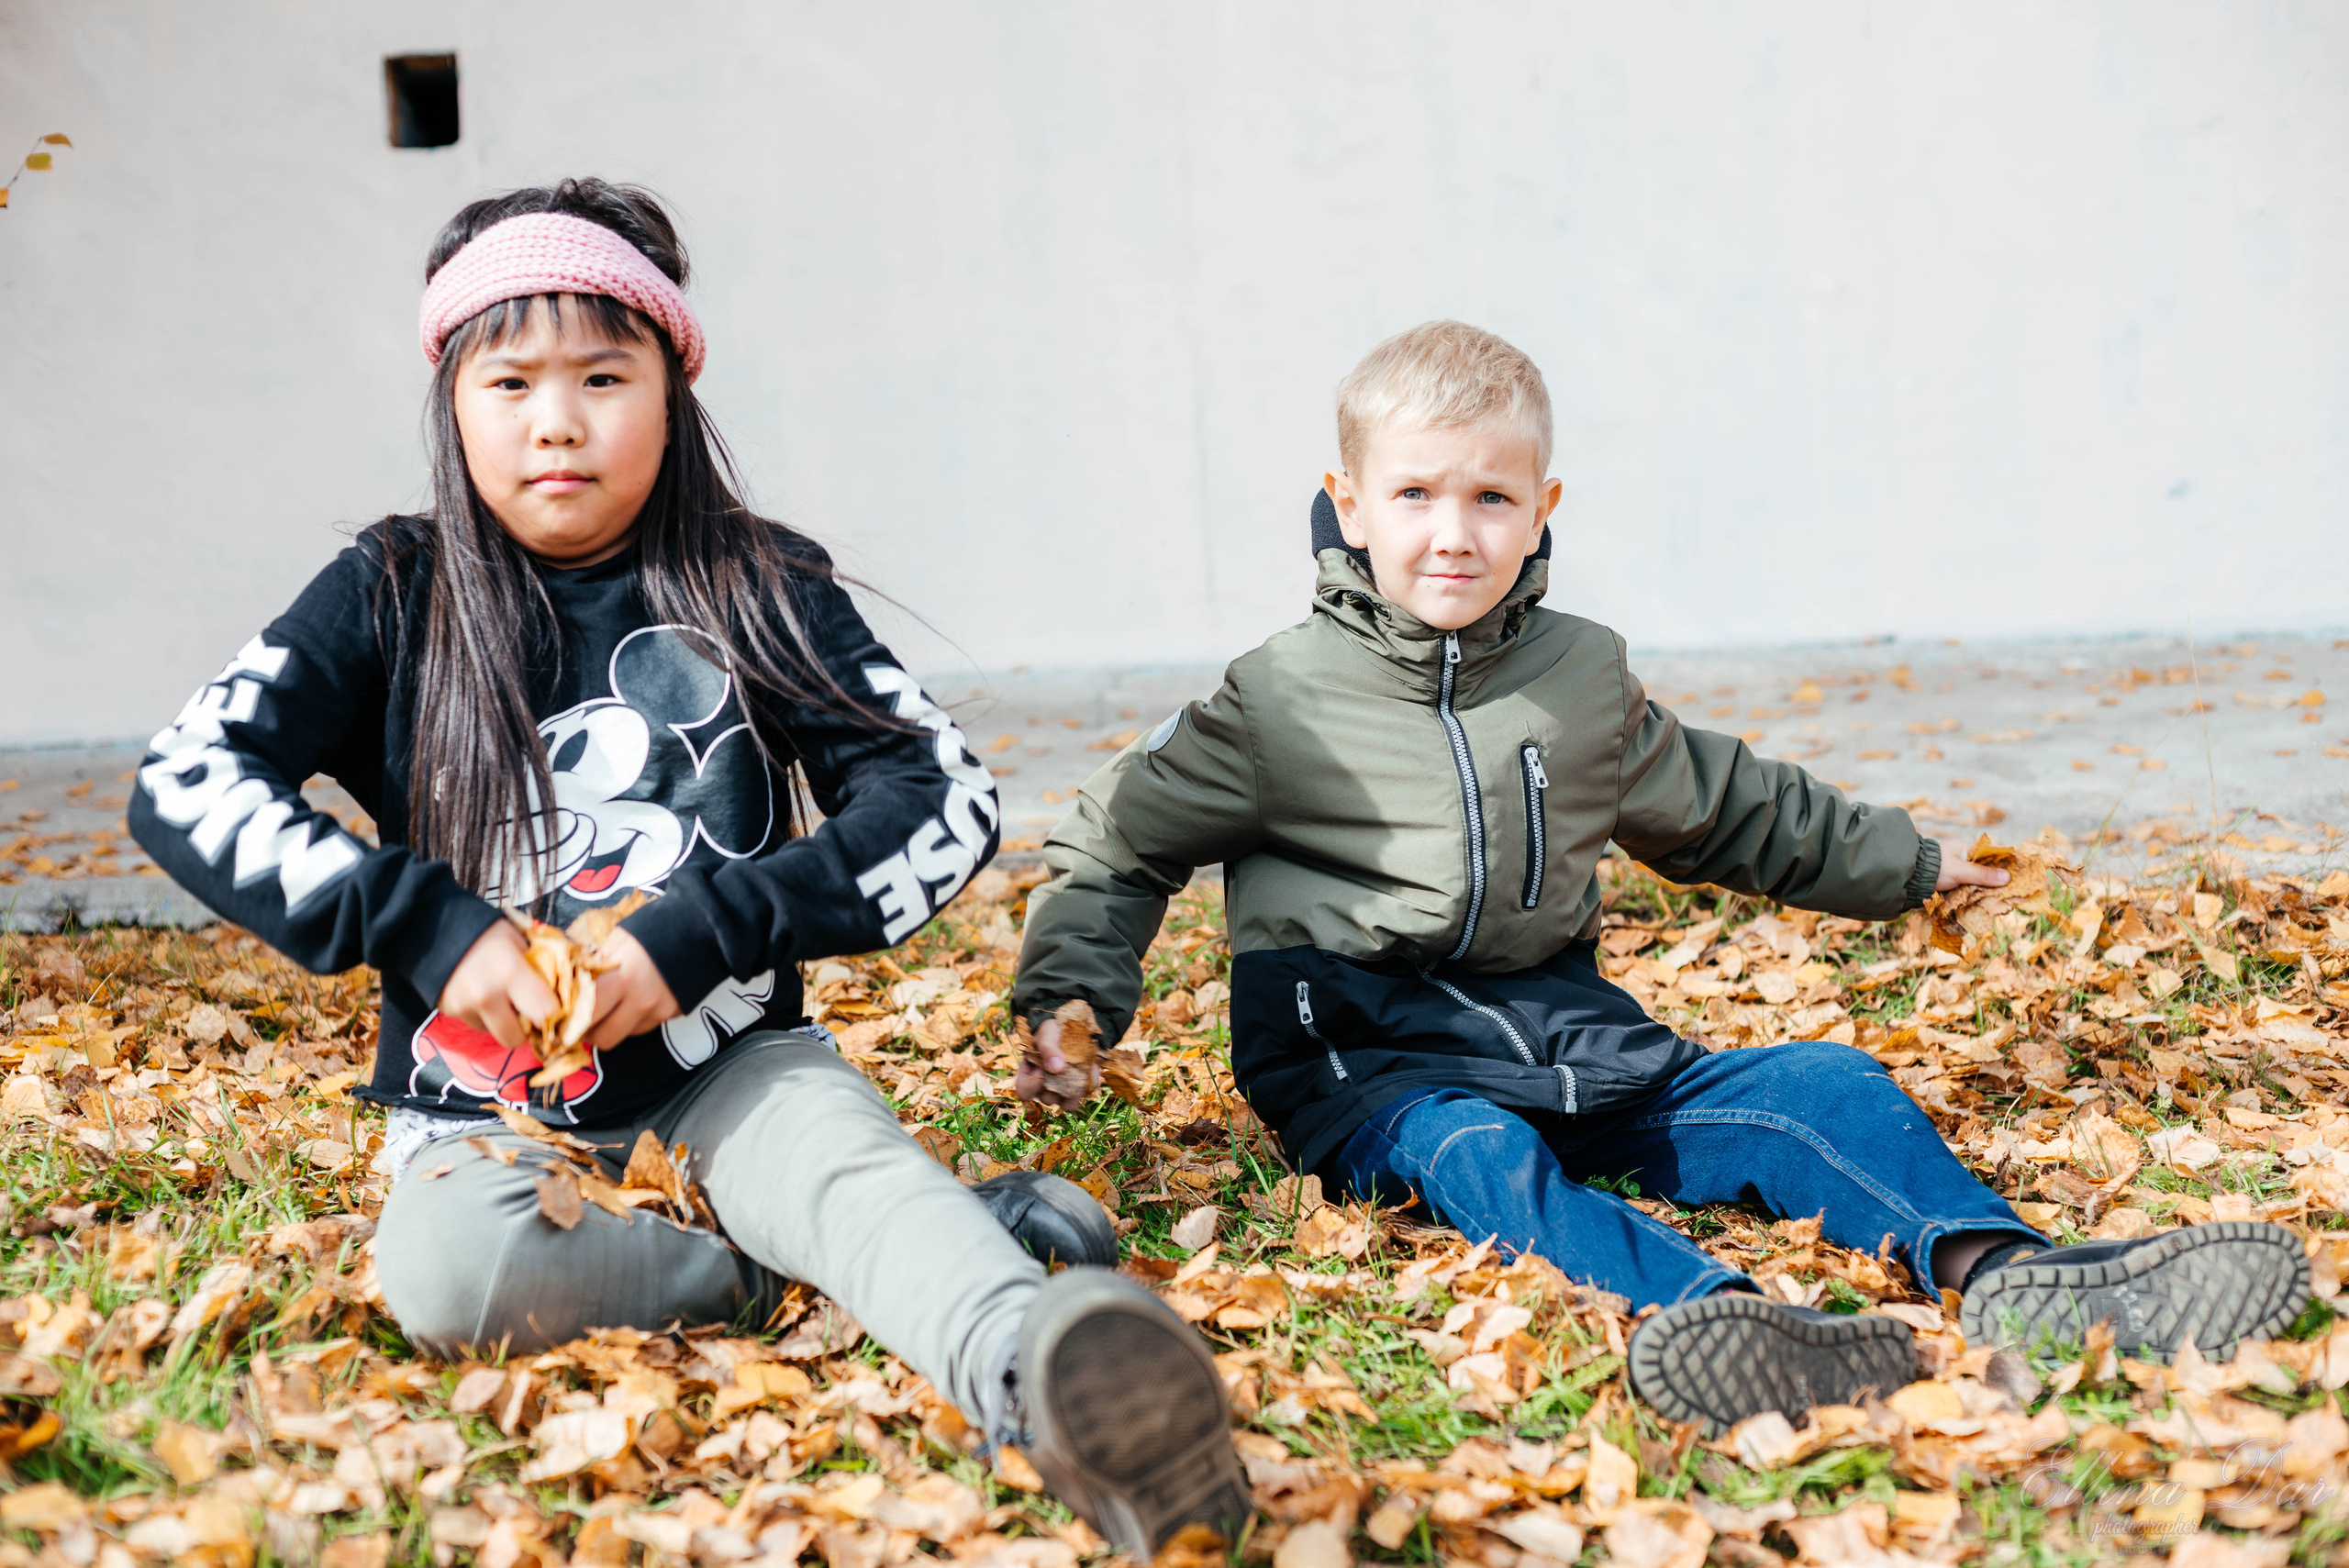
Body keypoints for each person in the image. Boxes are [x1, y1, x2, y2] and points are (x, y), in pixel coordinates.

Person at [128, 179, 1247, 1553]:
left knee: (837, 1168)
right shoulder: (394, 588)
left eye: (605, 373)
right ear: (453, 402)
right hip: (485, 1122)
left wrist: (705, 933)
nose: (557, 418)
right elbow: (186, 779)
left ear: (673, 388)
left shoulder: (753, 578)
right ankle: (868, 1248)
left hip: (733, 1071)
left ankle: (1062, 1386)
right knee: (449, 1272)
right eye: (512, 378)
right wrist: (426, 925)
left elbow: (940, 795)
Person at [1010, 320, 2310, 1431]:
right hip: (1363, 1052)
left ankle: (2010, 1267)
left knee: (1819, 1083)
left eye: (1490, 498)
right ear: (1347, 502)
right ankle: (1722, 1323)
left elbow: (1724, 804)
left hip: (1562, 1024)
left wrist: (1905, 863)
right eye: (1413, 495)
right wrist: (1071, 998)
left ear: (1544, 509)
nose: (1452, 534)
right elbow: (1122, 834)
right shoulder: (1281, 696)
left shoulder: (1578, 676)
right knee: (1480, 1151)